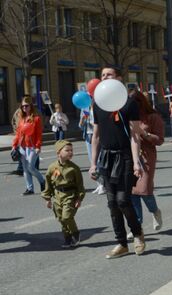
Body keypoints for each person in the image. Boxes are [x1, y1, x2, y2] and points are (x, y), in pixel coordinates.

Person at [88, 67, 146, 259]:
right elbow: (95, 136)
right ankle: (121, 243)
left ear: (119, 79)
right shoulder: (98, 105)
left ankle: (137, 234)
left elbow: (135, 136)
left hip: (125, 157)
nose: (105, 77)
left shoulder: (129, 105)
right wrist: (93, 163)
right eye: (103, 75)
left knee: (123, 200)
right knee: (112, 203)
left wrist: (137, 162)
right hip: (107, 157)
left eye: (109, 74)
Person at [128, 90, 164, 237]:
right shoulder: (128, 117)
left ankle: (155, 211)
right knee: (133, 193)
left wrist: (145, 134)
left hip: (147, 156)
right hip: (130, 156)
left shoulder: (153, 117)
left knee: (145, 190)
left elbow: (160, 140)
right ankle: (137, 226)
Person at [41, 140, 86, 248]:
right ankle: (67, 238)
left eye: (71, 150)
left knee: (67, 217)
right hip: (57, 196)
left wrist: (79, 199)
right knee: (61, 219)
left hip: (70, 196)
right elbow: (48, 184)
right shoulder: (52, 167)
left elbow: (80, 185)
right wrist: (47, 199)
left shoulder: (74, 168)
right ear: (58, 153)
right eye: (67, 150)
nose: (70, 152)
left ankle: (75, 234)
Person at [11, 96, 45, 195]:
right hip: (22, 147)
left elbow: (39, 134)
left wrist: (38, 146)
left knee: (31, 167)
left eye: (26, 106)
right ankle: (30, 188)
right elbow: (18, 134)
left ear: (30, 106)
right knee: (25, 169)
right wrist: (14, 145)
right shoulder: (22, 119)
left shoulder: (36, 119)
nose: (24, 108)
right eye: (22, 106)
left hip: (32, 147)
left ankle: (42, 181)